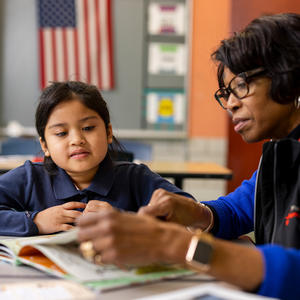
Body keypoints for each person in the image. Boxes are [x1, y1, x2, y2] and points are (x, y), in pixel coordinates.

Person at [77, 13, 300, 300]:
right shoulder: (280, 153)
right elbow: (237, 210)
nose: (231, 103)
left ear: (288, 75)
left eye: (242, 86)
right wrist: (196, 212)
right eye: (227, 93)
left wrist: (177, 244)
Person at [0, 81, 193, 237]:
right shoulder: (29, 178)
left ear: (108, 132)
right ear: (45, 146)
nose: (77, 140)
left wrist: (124, 220)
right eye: (61, 133)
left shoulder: (136, 178)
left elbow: (191, 213)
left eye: (88, 128)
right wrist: (34, 221)